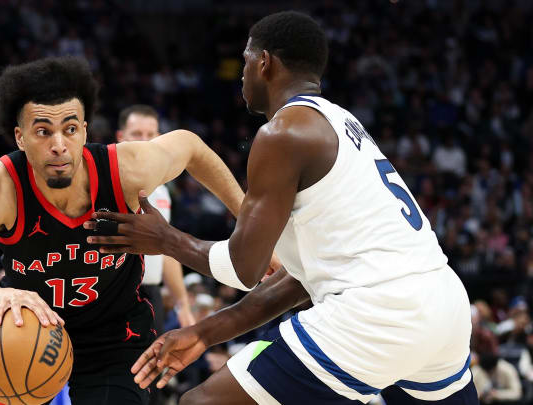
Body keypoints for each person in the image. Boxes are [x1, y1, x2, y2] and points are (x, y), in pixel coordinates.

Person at [88, 11, 478, 405]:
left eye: (244, 61)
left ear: (264, 62)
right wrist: (206, 332)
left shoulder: (283, 133)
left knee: (199, 402)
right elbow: (295, 279)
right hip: (444, 307)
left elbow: (245, 268)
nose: (242, 75)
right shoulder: (341, 121)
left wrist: (166, 239)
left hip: (378, 312)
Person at [0, 56, 245, 405]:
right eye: (43, 131)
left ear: (84, 132)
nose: (59, 144)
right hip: (26, 330)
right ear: (20, 137)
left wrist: (248, 222)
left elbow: (190, 147)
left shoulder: (125, 168)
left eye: (70, 129)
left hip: (114, 335)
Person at [116, 104, 196, 333]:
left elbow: (166, 250)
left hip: (150, 294)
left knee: (155, 367)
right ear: (121, 137)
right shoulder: (105, 181)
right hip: (112, 293)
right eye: (137, 134)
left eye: (151, 135)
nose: (144, 141)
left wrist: (182, 305)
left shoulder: (162, 190)